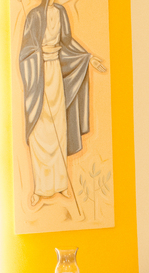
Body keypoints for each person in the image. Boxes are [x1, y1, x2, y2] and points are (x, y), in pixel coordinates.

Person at [19, 0, 107, 209]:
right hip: (39, 76)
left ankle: (60, 184)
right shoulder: (33, 16)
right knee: (40, 131)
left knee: (58, 126)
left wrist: (89, 58)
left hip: (56, 74)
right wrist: (39, 56)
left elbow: (67, 43)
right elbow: (25, 52)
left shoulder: (61, 12)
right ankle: (40, 189)